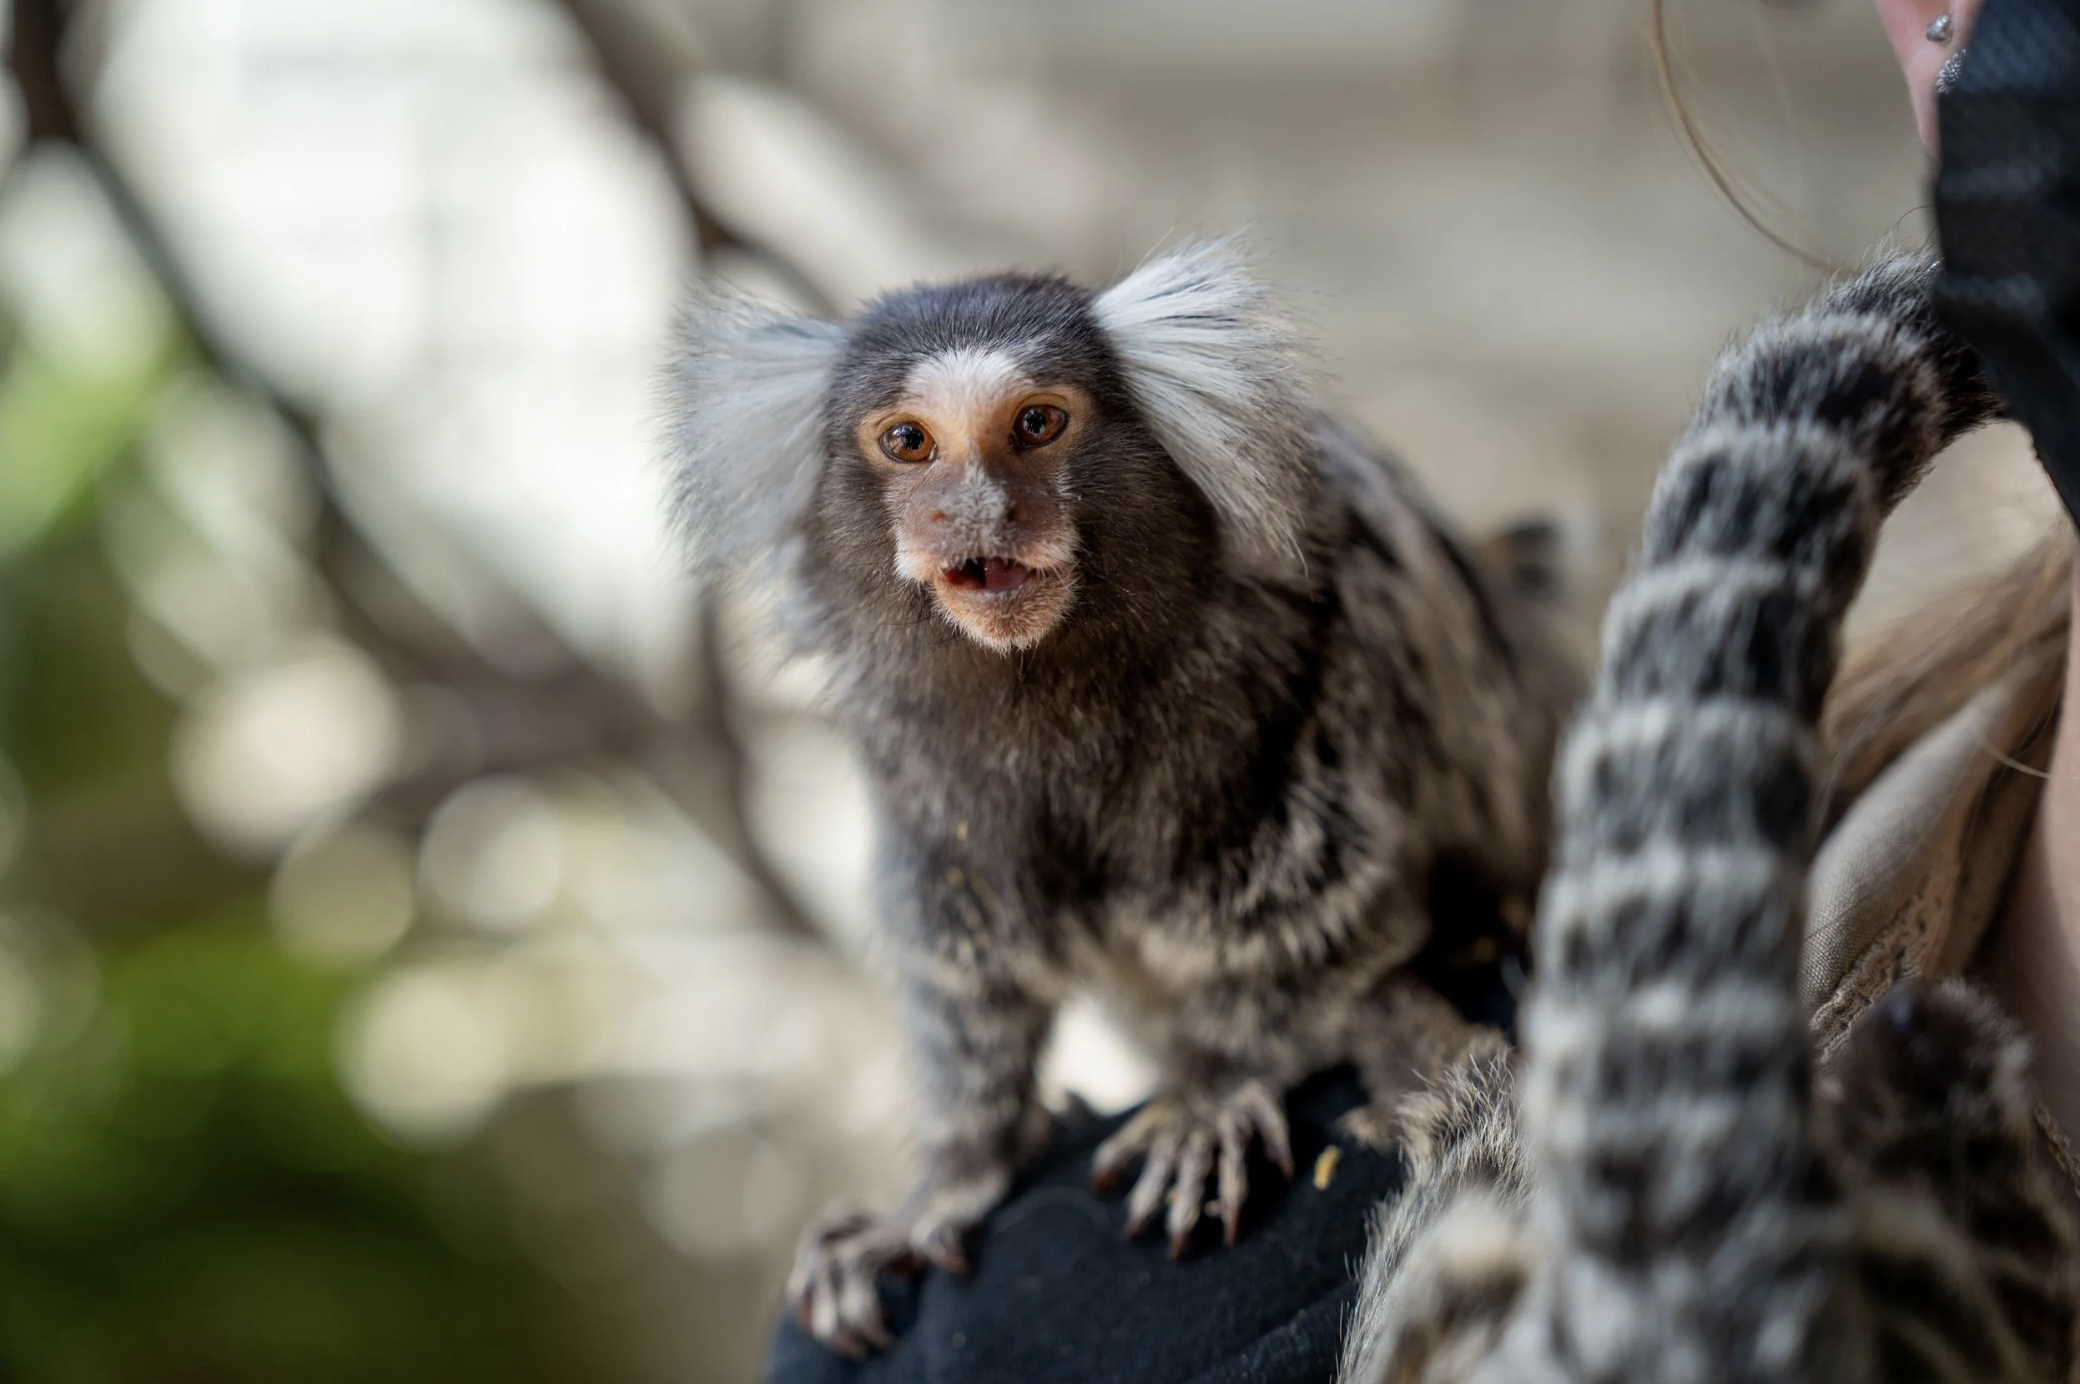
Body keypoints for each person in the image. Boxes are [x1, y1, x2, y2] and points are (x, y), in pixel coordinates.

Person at [764, 1, 2080, 1377]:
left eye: (1037, 430)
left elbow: (1317, 877)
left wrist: (1260, 1065)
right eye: (906, 445)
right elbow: (960, 948)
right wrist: (959, 1176)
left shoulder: (1268, 595)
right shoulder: (993, 1340)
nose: (978, 498)